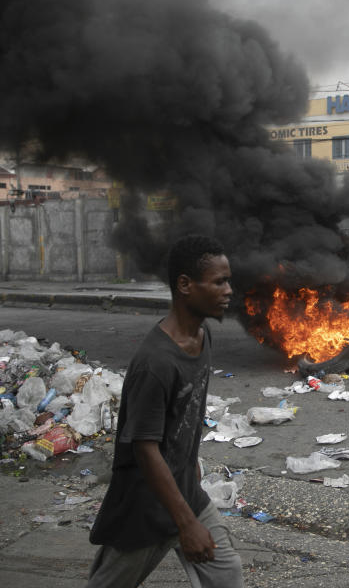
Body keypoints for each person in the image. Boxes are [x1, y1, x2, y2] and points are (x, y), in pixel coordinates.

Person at [86, 235, 242, 587]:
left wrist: (191, 466)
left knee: (226, 572)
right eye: (219, 281)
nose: (229, 290)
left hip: (186, 488)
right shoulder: (155, 362)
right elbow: (144, 447)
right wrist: (186, 524)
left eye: (228, 280)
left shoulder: (202, 338)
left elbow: (183, 419)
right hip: (146, 504)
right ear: (185, 285)